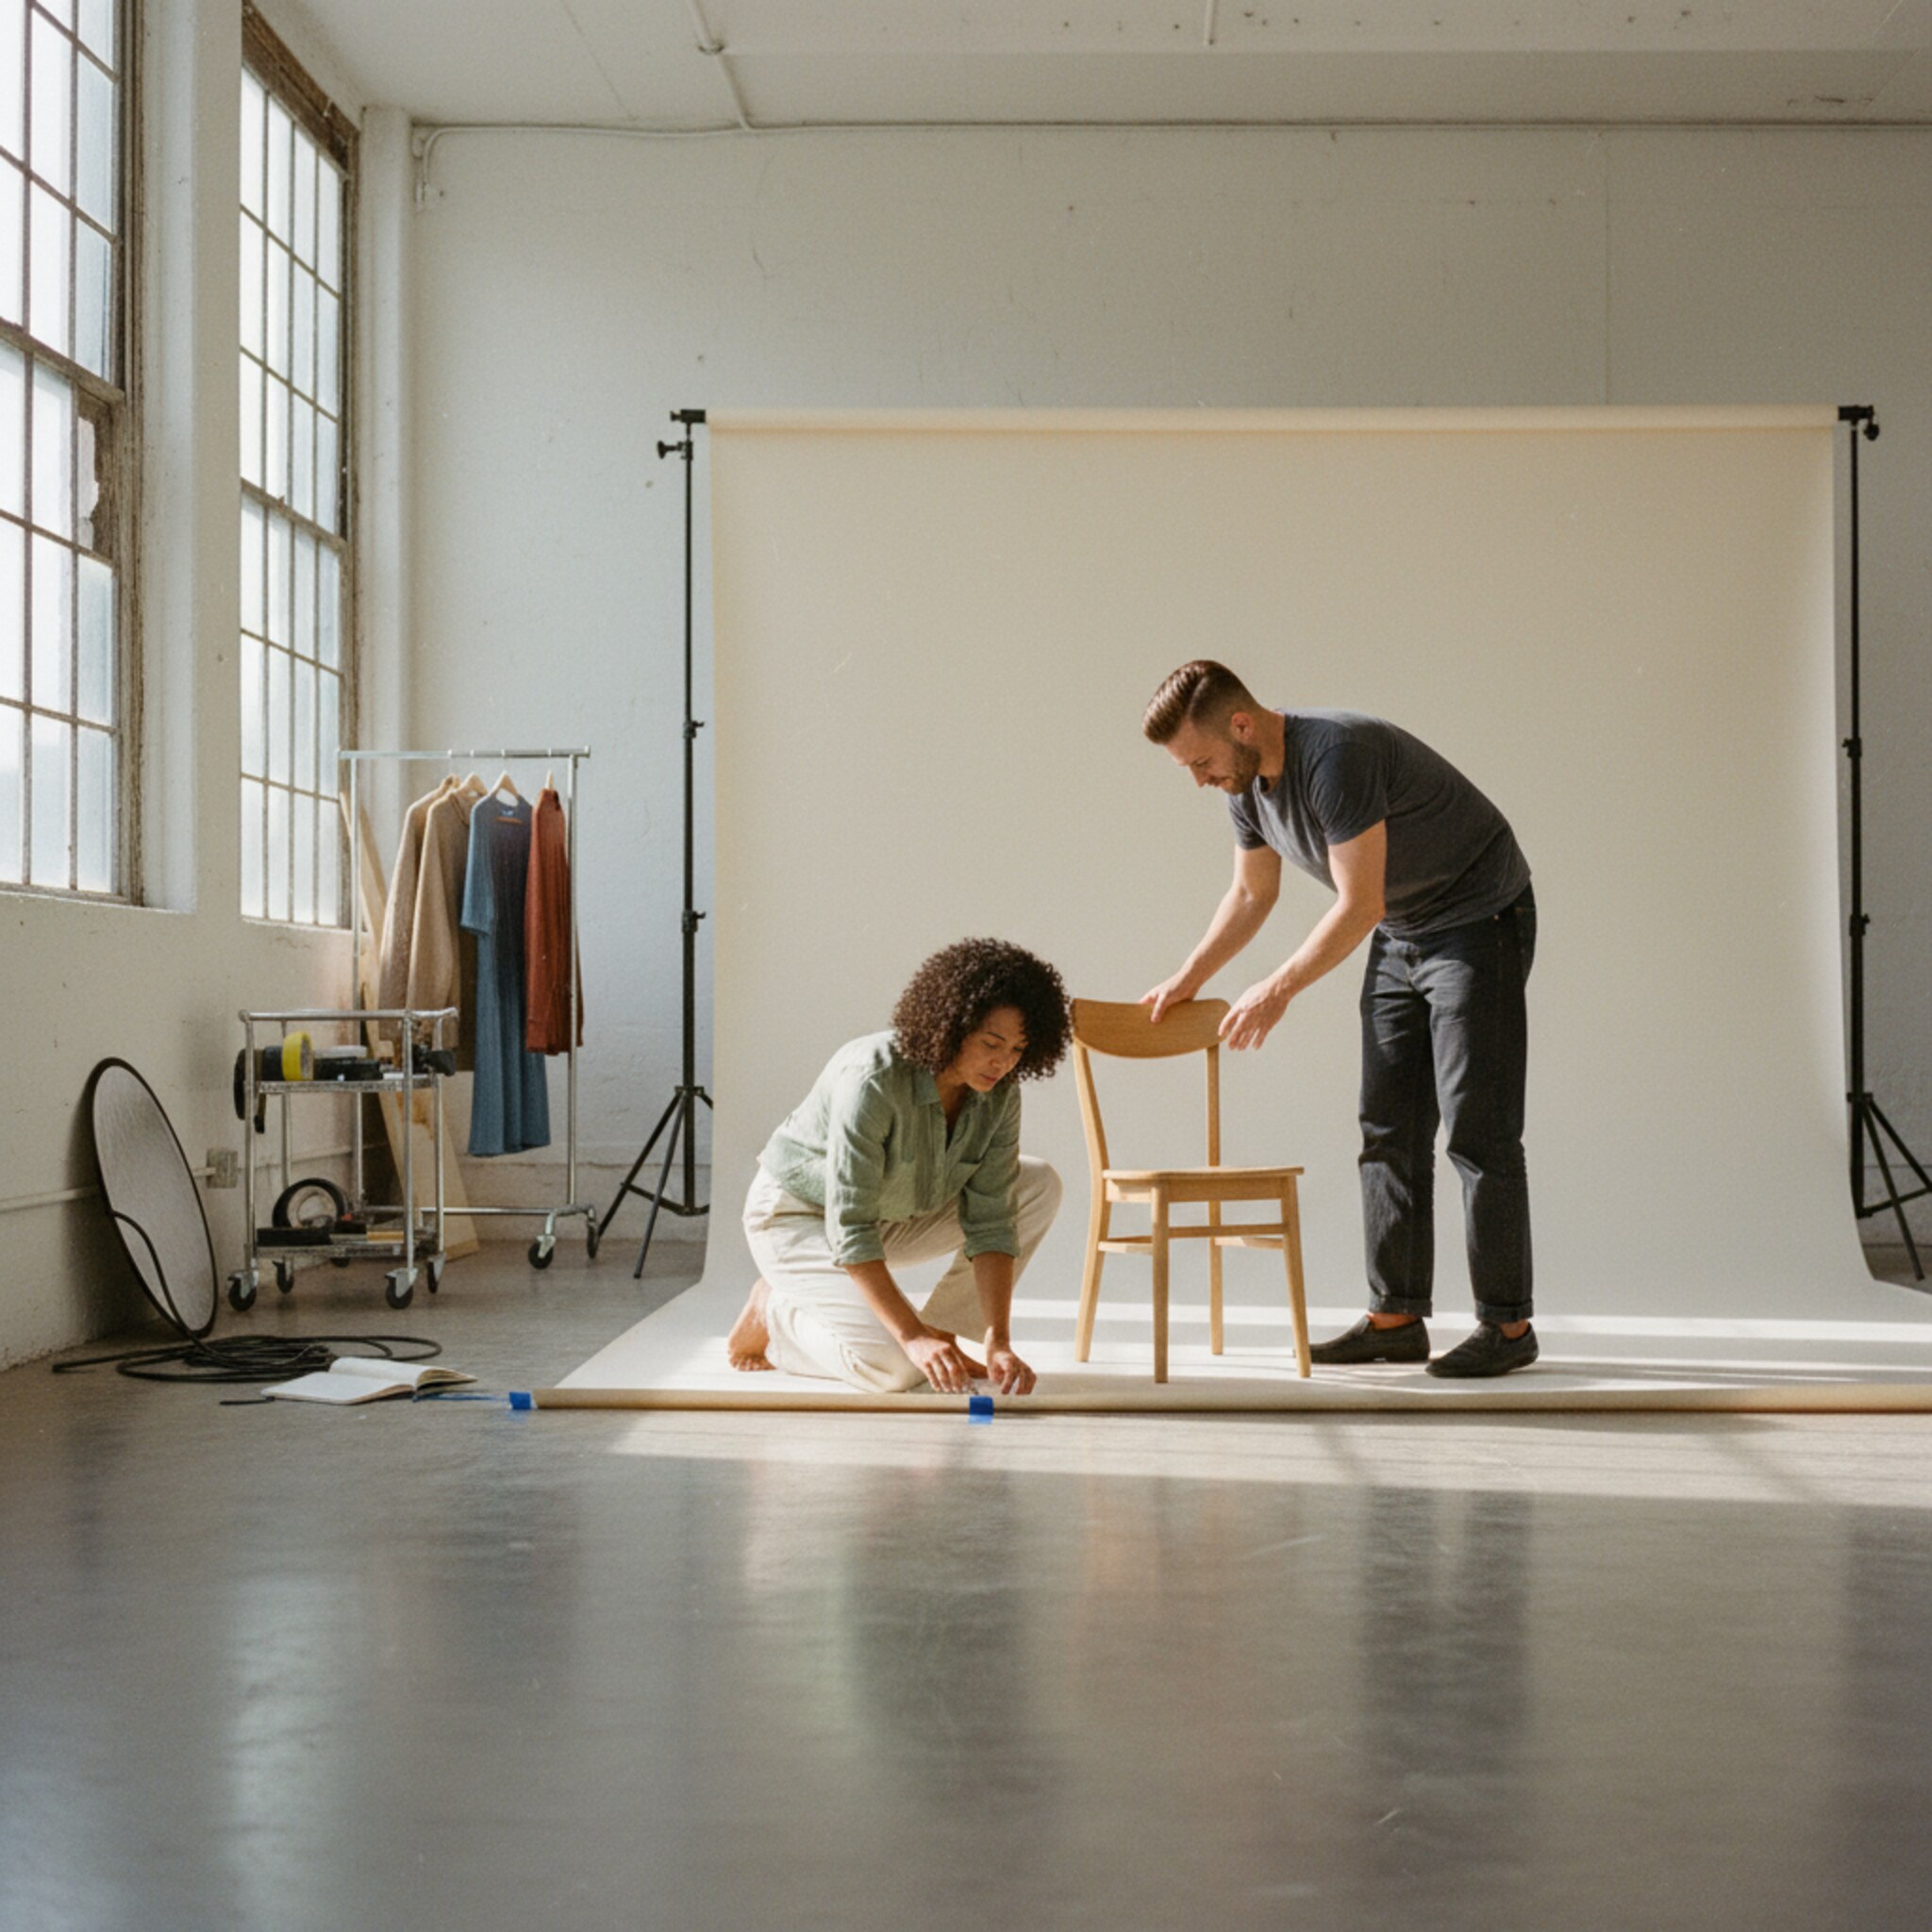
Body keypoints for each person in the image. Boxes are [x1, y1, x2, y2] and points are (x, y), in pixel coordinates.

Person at [1141, 660, 1538, 1378]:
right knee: (1387, 1125)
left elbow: (1359, 904)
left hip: (1479, 917)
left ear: (1241, 724)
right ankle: (1396, 1318)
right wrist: (1188, 978)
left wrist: (1277, 989)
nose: (1199, 779)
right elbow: (1251, 894)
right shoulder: (1245, 784)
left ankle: (1508, 1327)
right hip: (1405, 930)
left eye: (1199, 762)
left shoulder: (1336, 757)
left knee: (1478, 1125)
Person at [726, 938, 1070, 1395]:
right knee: (897, 1371)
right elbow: (850, 1224)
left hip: (887, 1215)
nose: (1003, 1062)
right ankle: (775, 1314)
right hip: (797, 1218)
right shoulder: (872, 1077)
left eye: (1017, 1050)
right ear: (953, 1025)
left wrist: (998, 1341)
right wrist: (910, 1337)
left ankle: (944, 1331)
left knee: (1037, 1183)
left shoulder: (1000, 1093)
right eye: (991, 1043)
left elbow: (992, 1219)